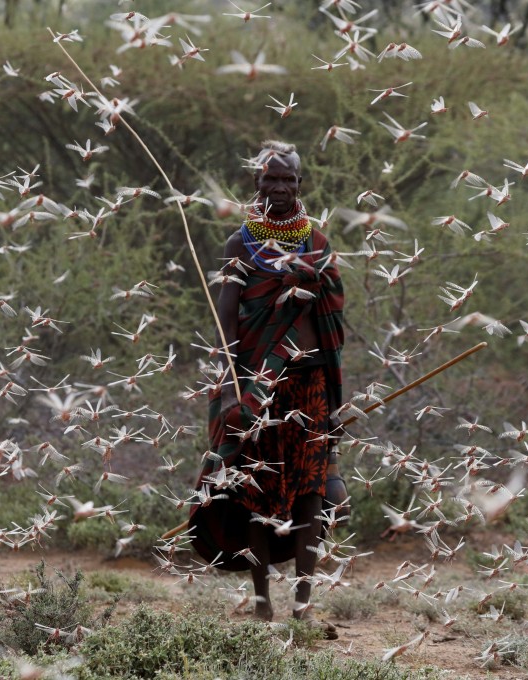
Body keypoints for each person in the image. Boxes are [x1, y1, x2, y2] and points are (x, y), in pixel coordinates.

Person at [188, 140, 344, 629]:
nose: (280, 187)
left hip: (311, 384)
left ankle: (303, 601)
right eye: (270, 178)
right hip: (259, 387)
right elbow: (228, 318)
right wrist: (233, 387)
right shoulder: (242, 244)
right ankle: (261, 601)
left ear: (301, 184)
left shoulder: (318, 243)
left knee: (311, 493)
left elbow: (334, 324)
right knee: (254, 490)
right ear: (256, 182)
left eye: (289, 179)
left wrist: (335, 396)